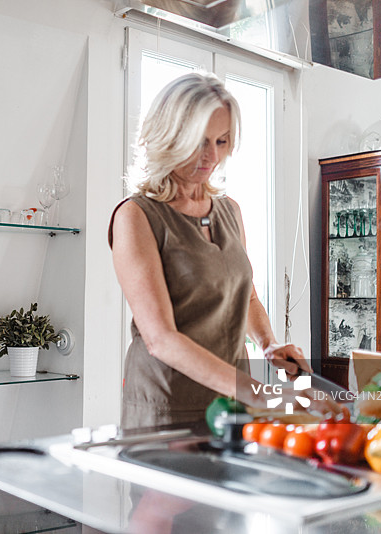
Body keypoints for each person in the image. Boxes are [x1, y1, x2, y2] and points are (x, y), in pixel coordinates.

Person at [109, 72, 334, 429]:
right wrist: (263, 395)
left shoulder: (229, 211)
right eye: (199, 141)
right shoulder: (136, 216)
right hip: (167, 407)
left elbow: (247, 297)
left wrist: (269, 344)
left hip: (231, 401)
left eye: (222, 140)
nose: (212, 155)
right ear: (168, 137)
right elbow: (161, 339)